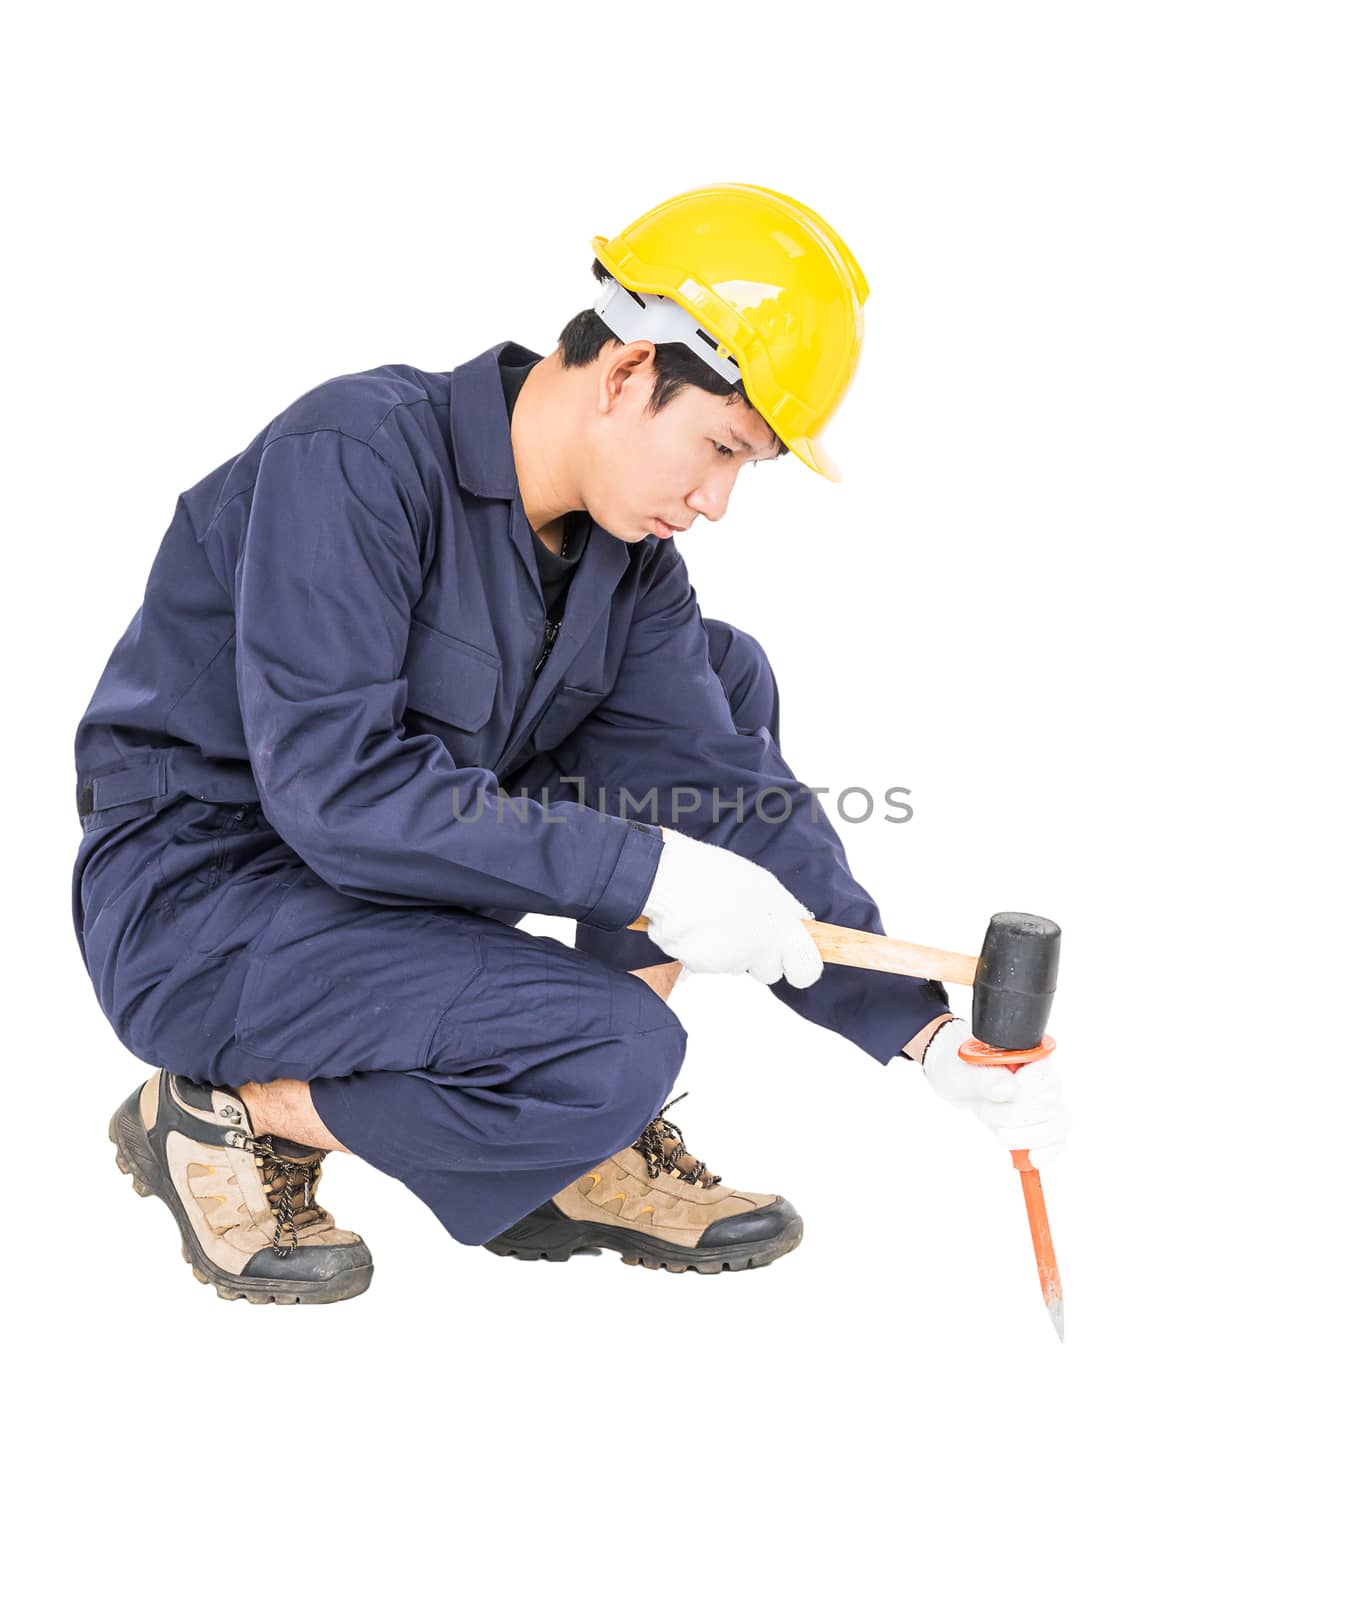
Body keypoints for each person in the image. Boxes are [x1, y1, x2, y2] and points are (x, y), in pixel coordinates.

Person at [75, 182, 1070, 1305]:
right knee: (612, 1052)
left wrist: (923, 1035)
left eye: (747, 468)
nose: (716, 500)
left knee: (721, 674)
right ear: (629, 370)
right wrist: (647, 871)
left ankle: (574, 1140)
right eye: (718, 448)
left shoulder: (628, 569)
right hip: (205, 906)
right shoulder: (353, 456)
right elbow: (339, 793)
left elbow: (724, 787)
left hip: (368, 906)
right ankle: (230, 1116)